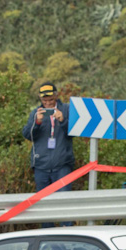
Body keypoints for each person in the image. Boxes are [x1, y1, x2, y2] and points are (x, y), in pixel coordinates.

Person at [21, 82, 75, 228]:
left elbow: (73, 133)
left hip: (62, 165)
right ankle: (47, 233)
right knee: (43, 206)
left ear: (56, 96)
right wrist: (37, 122)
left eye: (51, 100)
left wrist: (63, 120)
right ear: (40, 99)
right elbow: (27, 135)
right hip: (41, 166)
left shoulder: (66, 109)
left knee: (64, 203)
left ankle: (67, 232)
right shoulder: (36, 112)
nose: (48, 103)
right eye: (45, 101)